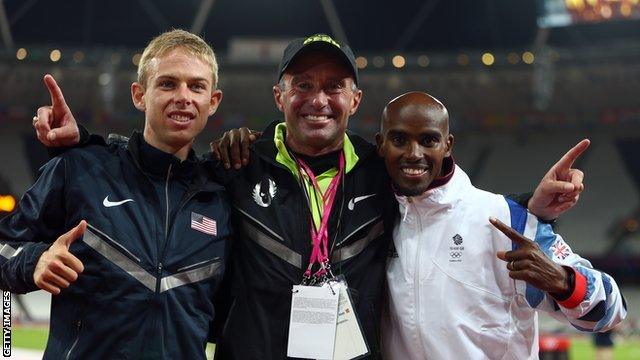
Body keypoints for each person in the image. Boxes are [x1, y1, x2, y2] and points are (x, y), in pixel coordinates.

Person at [33, 34, 585, 359]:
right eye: (302, 85)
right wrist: (87, 146)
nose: (317, 99)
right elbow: (158, 171)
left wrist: (529, 206)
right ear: (280, 95)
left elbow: (444, 196)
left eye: (332, 87)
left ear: (354, 98)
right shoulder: (236, 164)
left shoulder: (381, 169)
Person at [0, 29, 231, 359]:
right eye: (167, 83)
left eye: (196, 86)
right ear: (139, 95)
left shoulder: (222, 199)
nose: (183, 96)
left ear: (213, 101)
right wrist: (33, 260)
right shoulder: (81, 170)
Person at [376, 91, 627, 359]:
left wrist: (563, 282)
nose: (414, 154)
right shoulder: (374, 221)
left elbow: (612, 310)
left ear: (447, 145)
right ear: (380, 144)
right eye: (400, 139)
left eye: (428, 140)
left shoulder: (507, 220)